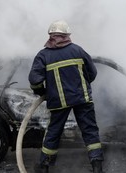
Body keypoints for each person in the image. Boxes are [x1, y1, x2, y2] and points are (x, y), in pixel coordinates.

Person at [29, 20, 104, 173]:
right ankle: (97, 167)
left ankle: (44, 167)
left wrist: (42, 92)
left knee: (53, 133)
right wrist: (81, 84)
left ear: (50, 35)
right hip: (82, 99)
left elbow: (34, 80)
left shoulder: (43, 55)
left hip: (58, 102)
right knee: (90, 131)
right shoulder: (78, 51)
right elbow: (93, 73)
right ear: (67, 35)